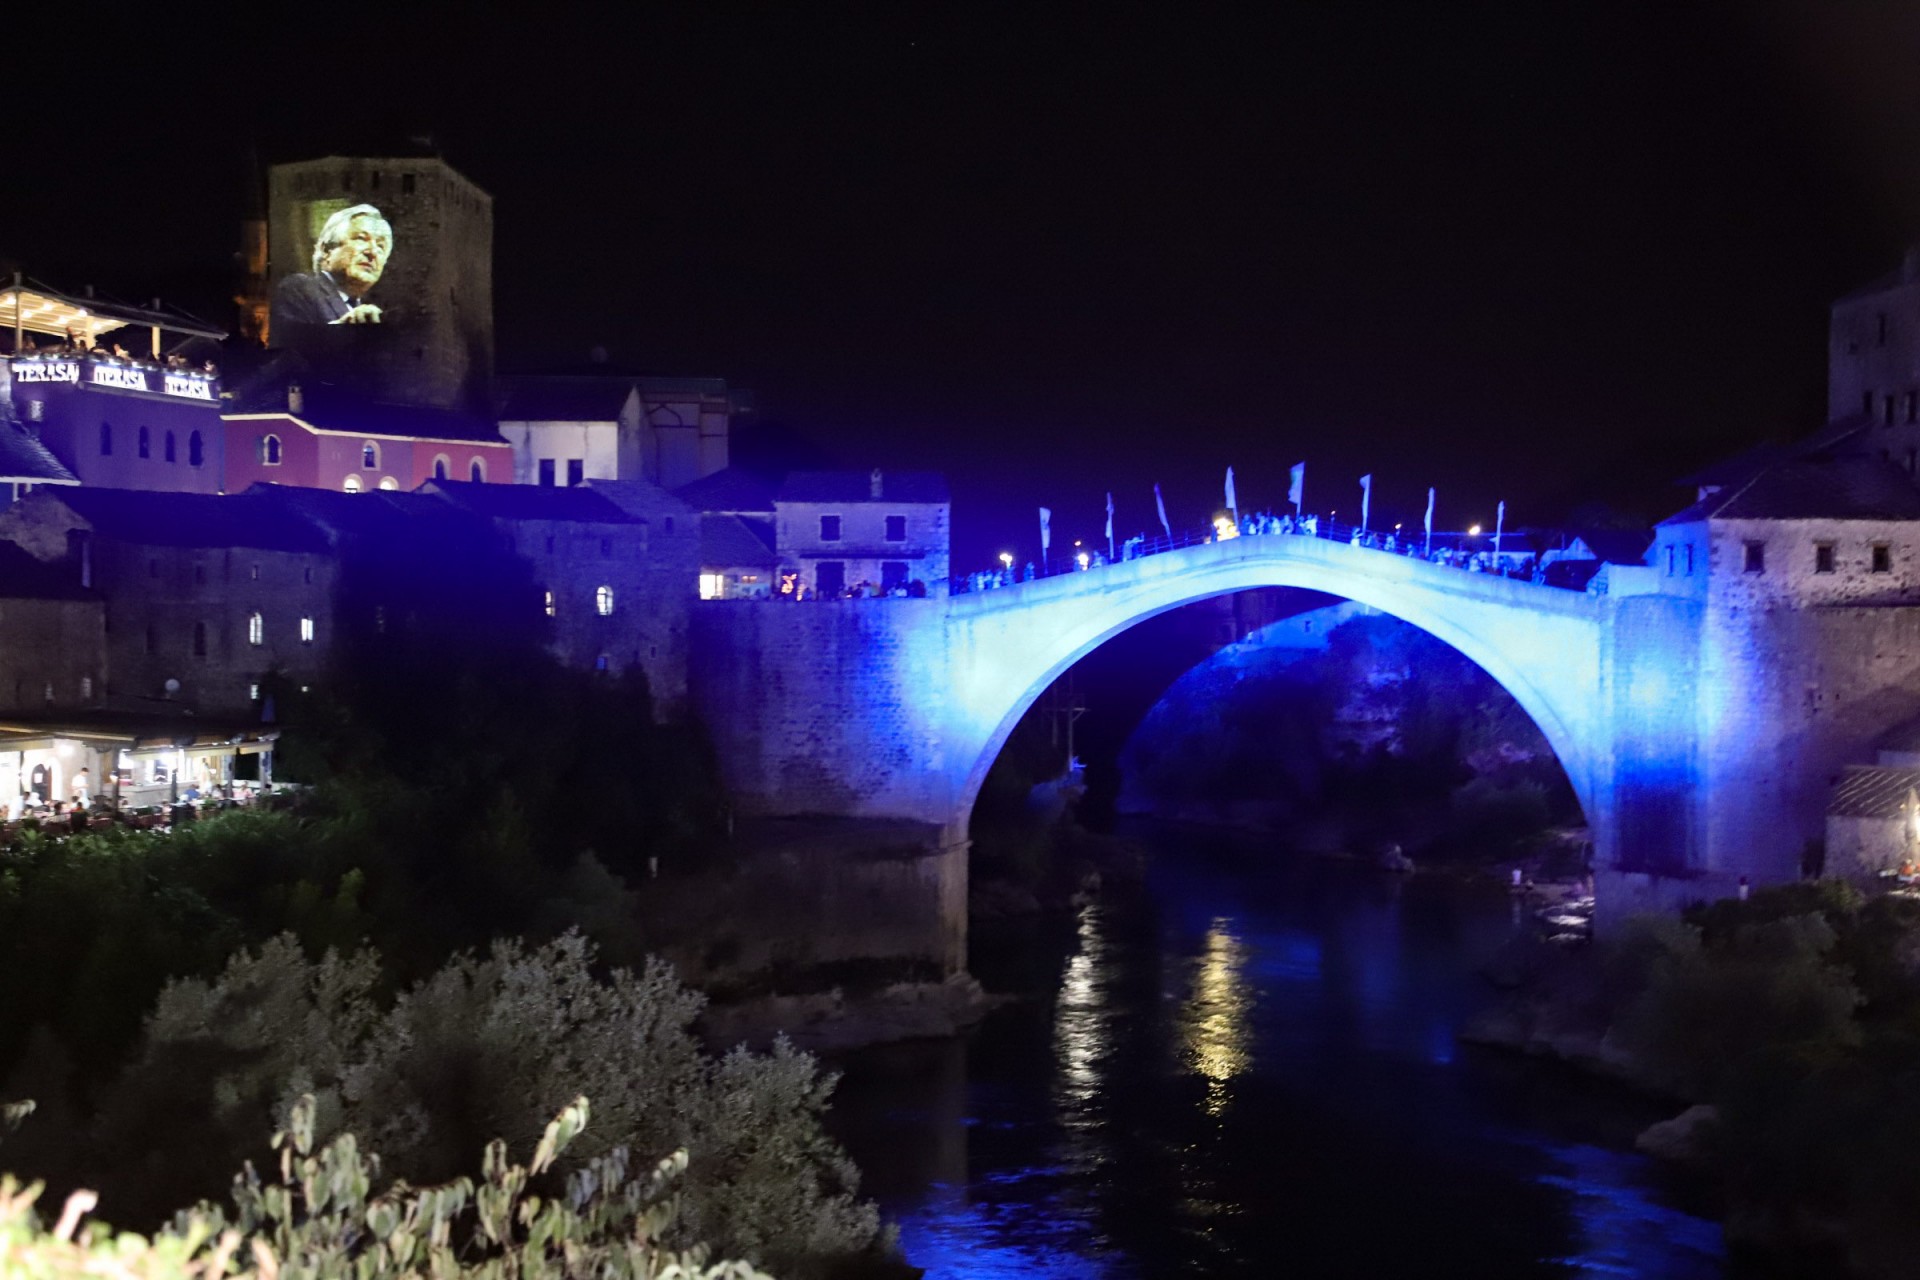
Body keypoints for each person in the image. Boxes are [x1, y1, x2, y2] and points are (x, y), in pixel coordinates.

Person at [270, 203, 394, 340]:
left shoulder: (368, 311)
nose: (373, 252)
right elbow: (290, 344)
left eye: (381, 246)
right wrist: (342, 327)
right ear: (327, 250)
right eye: (361, 238)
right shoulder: (298, 288)